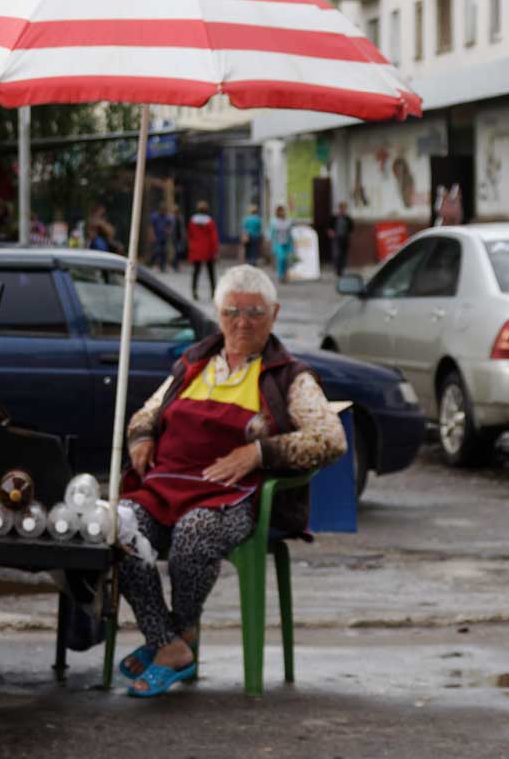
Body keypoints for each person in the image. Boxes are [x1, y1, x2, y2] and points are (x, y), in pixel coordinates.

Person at [114, 265, 346, 697]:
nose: (242, 323)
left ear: (274, 315)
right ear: (218, 314)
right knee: (115, 527)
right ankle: (169, 642)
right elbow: (147, 411)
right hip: (163, 488)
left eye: (255, 312)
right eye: (231, 312)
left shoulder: (288, 377)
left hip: (233, 499)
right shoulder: (193, 364)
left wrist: (260, 453)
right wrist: (142, 437)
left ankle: (178, 634)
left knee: (195, 532)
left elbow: (330, 439)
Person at [186, 201, 219, 301]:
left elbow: (189, 235)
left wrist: (191, 247)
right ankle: (213, 292)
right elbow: (214, 237)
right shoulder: (210, 222)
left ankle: (194, 291)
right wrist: (215, 251)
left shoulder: (192, 221)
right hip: (208, 249)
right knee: (211, 272)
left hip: (196, 249)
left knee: (196, 272)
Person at [269, 205, 296, 282]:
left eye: (283, 211)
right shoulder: (274, 221)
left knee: (287, 260)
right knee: (281, 258)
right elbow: (271, 233)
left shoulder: (288, 221)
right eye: (280, 211)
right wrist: (272, 244)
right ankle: (280, 275)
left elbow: (291, 232)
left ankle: (285, 274)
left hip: (287, 243)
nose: (282, 212)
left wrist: (292, 244)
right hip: (278, 243)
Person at [149, 203, 177, 272]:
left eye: (164, 210)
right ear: (159, 209)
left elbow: (171, 226)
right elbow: (151, 226)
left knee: (164, 251)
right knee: (157, 250)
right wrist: (152, 235)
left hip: (164, 236)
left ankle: (162, 266)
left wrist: (168, 231)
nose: (163, 211)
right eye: (162, 210)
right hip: (157, 236)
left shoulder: (167, 217)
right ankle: (152, 263)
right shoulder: (155, 216)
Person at [330, 202, 355, 274]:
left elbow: (352, 228)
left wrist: (349, 234)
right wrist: (331, 231)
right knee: (336, 254)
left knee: (344, 254)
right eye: (342, 208)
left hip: (345, 238)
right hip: (336, 238)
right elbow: (329, 226)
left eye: (344, 208)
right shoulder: (335, 218)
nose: (343, 210)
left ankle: (342, 269)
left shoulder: (348, 218)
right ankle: (337, 269)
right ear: (339, 209)